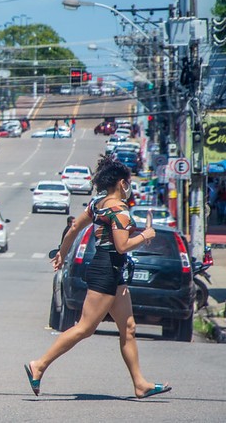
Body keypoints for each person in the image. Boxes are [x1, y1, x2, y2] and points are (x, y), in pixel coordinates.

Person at [25, 156, 170, 399]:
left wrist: (61, 253)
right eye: (129, 183)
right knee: (84, 328)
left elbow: (74, 229)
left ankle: (140, 384)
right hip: (107, 270)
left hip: (113, 271)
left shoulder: (97, 204)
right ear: (122, 183)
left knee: (129, 328)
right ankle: (38, 365)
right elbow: (122, 246)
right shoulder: (119, 210)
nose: (130, 187)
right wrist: (146, 235)